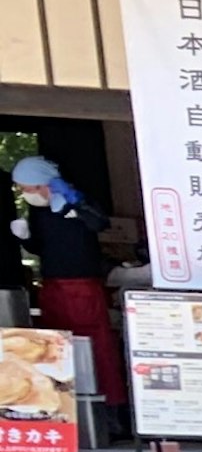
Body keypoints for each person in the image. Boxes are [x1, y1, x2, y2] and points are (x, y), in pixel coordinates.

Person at [11, 158, 119, 408]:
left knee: (92, 343)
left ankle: (107, 404)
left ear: (42, 184)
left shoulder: (76, 199)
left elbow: (101, 223)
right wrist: (25, 238)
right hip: (52, 284)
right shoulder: (38, 210)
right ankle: (65, 404)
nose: (25, 193)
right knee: (56, 345)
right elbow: (40, 247)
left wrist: (77, 208)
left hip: (82, 285)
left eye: (28, 187)